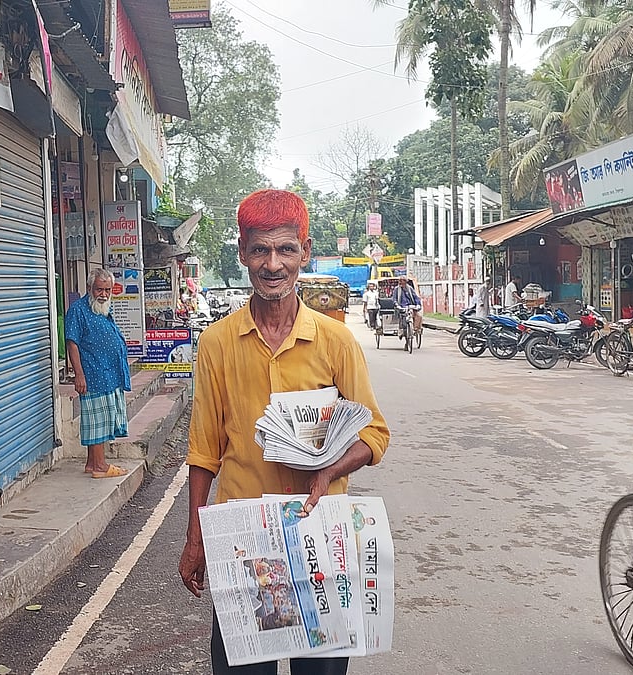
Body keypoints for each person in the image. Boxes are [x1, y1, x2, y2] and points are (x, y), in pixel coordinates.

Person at [178, 189, 390, 675]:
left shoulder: (335, 341)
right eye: (260, 250)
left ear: (305, 252)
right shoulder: (216, 344)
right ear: (242, 254)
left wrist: (328, 470)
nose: (273, 264)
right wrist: (195, 536)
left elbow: (374, 434)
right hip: (245, 540)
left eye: (286, 250)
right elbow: (205, 451)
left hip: (320, 537)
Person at [65, 268, 131, 479]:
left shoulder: (102, 309)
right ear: (90, 289)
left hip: (109, 374)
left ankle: (92, 463)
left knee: (100, 419)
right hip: (94, 374)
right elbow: (72, 343)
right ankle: (100, 466)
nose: (103, 294)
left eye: (107, 290)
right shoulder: (78, 310)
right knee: (98, 421)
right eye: (99, 290)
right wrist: (79, 374)